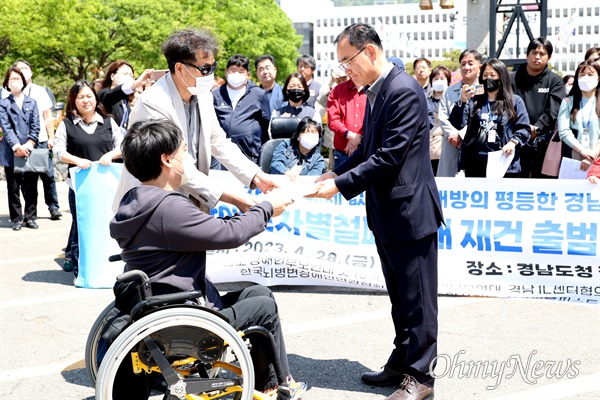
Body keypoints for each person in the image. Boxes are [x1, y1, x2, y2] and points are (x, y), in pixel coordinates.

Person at [109, 118, 306, 400]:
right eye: (183, 152)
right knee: (264, 305)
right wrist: (266, 209)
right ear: (167, 160)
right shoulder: (168, 207)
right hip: (184, 317)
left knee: (256, 291)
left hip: (156, 305)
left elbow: (214, 229)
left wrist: (250, 209)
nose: (187, 160)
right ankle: (278, 385)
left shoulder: (134, 200)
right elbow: (229, 234)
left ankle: (270, 382)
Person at [308, 23, 444, 400]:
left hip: (411, 214)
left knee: (418, 300)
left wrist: (339, 186)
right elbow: (368, 149)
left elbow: (388, 157)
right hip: (387, 213)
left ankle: (422, 377)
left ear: (369, 52)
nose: (344, 70)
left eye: (347, 61)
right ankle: (401, 362)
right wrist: (337, 170)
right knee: (399, 297)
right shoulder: (376, 91)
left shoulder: (403, 89)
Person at [122, 28, 278, 215]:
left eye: (213, 67)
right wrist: (231, 197)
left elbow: (218, 142)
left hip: (191, 203)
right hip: (154, 207)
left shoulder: (203, 95)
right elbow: (175, 163)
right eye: (205, 69)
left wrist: (256, 176)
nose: (210, 75)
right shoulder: (153, 103)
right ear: (180, 69)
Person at [53, 80, 123, 276]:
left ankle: (107, 269)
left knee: (106, 225)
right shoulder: (67, 124)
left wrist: (111, 155)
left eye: (89, 96)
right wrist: (76, 160)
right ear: (73, 101)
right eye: (80, 97)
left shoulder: (108, 122)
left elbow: (123, 145)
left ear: (95, 98)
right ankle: (81, 271)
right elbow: (58, 151)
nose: (85, 100)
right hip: (80, 186)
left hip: (107, 185)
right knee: (81, 227)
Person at [460, 58, 530, 177]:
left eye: (493, 75)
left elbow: (524, 128)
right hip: (477, 162)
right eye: (485, 75)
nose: (489, 79)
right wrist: (462, 102)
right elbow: (459, 123)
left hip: (503, 161)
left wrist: (513, 142)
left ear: (501, 77)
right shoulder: (474, 101)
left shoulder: (515, 101)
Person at [11, 60, 62, 221]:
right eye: (20, 69)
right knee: (27, 179)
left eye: (26, 68)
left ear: (31, 72)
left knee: (48, 175)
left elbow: (48, 117)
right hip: (20, 143)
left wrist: (51, 137)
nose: (23, 71)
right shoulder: (8, 92)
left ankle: (53, 207)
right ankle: (30, 212)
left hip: (40, 140)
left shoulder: (40, 91)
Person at [510, 38, 565, 178]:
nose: (537, 57)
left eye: (542, 54)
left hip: (542, 142)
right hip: (513, 140)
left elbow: (554, 110)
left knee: (541, 185)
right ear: (527, 54)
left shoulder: (555, 80)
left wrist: (537, 128)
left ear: (549, 57)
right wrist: (521, 131)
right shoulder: (511, 78)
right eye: (534, 53)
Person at [0, 67, 40, 231]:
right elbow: (6, 126)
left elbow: (36, 125)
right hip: (11, 150)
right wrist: (17, 146)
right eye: (11, 79)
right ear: (7, 83)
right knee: (13, 187)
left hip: (29, 150)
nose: (15, 81)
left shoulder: (32, 102)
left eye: (18, 78)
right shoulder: (3, 103)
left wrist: (29, 144)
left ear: (24, 81)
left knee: (31, 186)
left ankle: (30, 217)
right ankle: (16, 218)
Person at [212, 54, 270, 165]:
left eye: (241, 71)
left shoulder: (258, 94)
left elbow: (265, 123)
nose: (236, 74)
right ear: (226, 72)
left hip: (250, 156)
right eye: (233, 70)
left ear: (247, 74)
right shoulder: (216, 95)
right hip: (221, 158)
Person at [437, 49, 483, 177]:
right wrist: (453, 135)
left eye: (470, 63)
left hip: (476, 145)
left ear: (480, 67)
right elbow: (442, 117)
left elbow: (483, 117)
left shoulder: (484, 90)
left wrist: (462, 135)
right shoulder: (449, 91)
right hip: (452, 144)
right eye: (463, 64)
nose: (466, 67)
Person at [557, 60, 600, 171]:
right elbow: (564, 131)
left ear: (598, 78)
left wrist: (592, 155)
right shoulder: (567, 102)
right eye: (582, 74)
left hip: (597, 157)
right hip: (574, 156)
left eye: (590, 74)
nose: (586, 77)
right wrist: (583, 151)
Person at [327, 70, 367, 169]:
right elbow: (333, 120)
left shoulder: (373, 89)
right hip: (343, 153)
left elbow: (376, 119)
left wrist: (358, 139)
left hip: (367, 152)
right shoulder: (337, 91)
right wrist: (350, 135)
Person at [98, 60, 153, 129]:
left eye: (131, 75)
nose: (129, 77)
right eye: (125, 74)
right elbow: (115, 93)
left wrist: (147, 88)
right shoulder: (104, 94)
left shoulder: (125, 101)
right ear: (112, 76)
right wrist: (136, 83)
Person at [427, 65, 452, 175]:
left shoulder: (453, 99)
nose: (439, 81)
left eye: (442, 78)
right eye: (436, 78)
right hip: (431, 147)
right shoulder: (425, 99)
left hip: (449, 144)